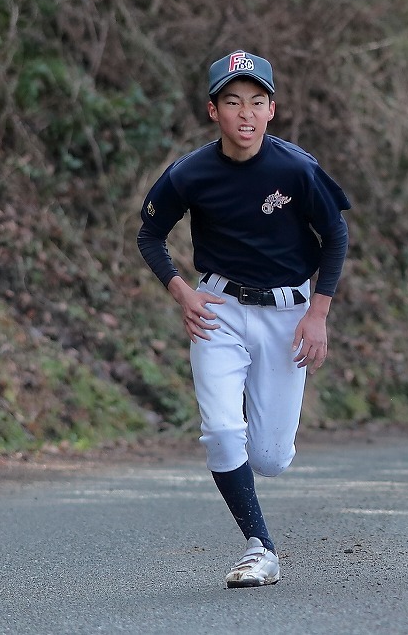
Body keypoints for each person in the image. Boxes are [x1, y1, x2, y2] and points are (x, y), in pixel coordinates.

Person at [137, 50, 351, 587]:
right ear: (214, 111)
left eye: (257, 102)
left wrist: (318, 312)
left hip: (288, 314)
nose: (245, 114)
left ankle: (249, 450)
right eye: (232, 102)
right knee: (221, 431)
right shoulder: (190, 172)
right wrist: (181, 290)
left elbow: (336, 236)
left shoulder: (295, 168)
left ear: (272, 109)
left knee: (271, 458)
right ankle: (260, 547)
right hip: (219, 311)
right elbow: (150, 234)